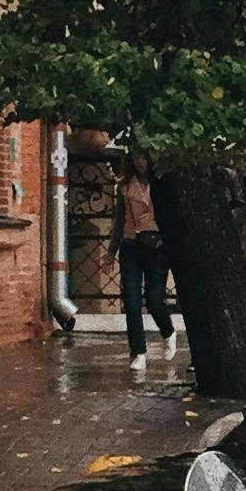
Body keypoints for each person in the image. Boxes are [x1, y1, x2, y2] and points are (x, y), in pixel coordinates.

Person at [110, 152, 175, 375]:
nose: (141, 163)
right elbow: (119, 220)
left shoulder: (163, 184)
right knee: (131, 301)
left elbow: (171, 216)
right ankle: (139, 352)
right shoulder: (125, 186)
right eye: (137, 158)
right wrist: (111, 250)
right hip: (131, 246)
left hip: (156, 248)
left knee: (154, 300)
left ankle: (168, 332)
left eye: (145, 158)